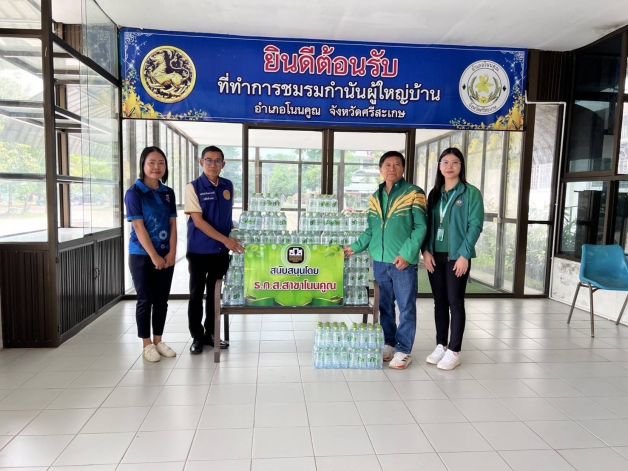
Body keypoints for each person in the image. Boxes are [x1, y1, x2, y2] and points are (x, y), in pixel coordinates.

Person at [344, 151, 427, 369]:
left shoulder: (414, 193)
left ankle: (404, 350)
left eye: (397, 164)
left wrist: (407, 254)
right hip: (380, 261)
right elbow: (371, 230)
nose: (392, 168)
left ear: (403, 168)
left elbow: (421, 227)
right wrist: (354, 248)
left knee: (406, 306)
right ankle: (389, 343)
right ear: (381, 169)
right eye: (387, 165)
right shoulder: (375, 197)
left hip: (402, 261)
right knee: (385, 306)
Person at [422, 147, 484, 370]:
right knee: (439, 302)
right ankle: (441, 345)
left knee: (455, 302)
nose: (449, 166)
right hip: (434, 256)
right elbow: (427, 225)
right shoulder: (434, 194)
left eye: (454, 162)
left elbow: (475, 225)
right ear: (439, 167)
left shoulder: (470, 193)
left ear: (461, 166)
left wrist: (464, 254)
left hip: (457, 257)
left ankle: (454, 350)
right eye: (445, 162)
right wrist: (425, 251)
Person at [185, 145, 244, 354]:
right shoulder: (193, 187)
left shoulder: (227, 185)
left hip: (220, 252)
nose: (213, 164)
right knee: (196, 294)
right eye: (208, 160)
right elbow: (199, 222)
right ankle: (197, 336)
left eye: (217, 160)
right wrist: (226, 241)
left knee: (214, 294)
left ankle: (210, 333)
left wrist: (235, 233)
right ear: (201, 162)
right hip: (199, 251)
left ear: (223, 164)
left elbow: (225, 218)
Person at [124, 146, 178, 362]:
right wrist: (154, 256)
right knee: (145, 299)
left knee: (162, 300)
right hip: (141, 255)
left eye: (161, 163)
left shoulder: (168, 193)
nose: (157, 167)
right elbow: (138, 227)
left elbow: (173, 224)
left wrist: (172, 253)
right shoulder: (134, 193)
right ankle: (146, 344)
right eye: (152, 163)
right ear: (143, 165)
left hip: (166, 255)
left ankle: (158, 340)